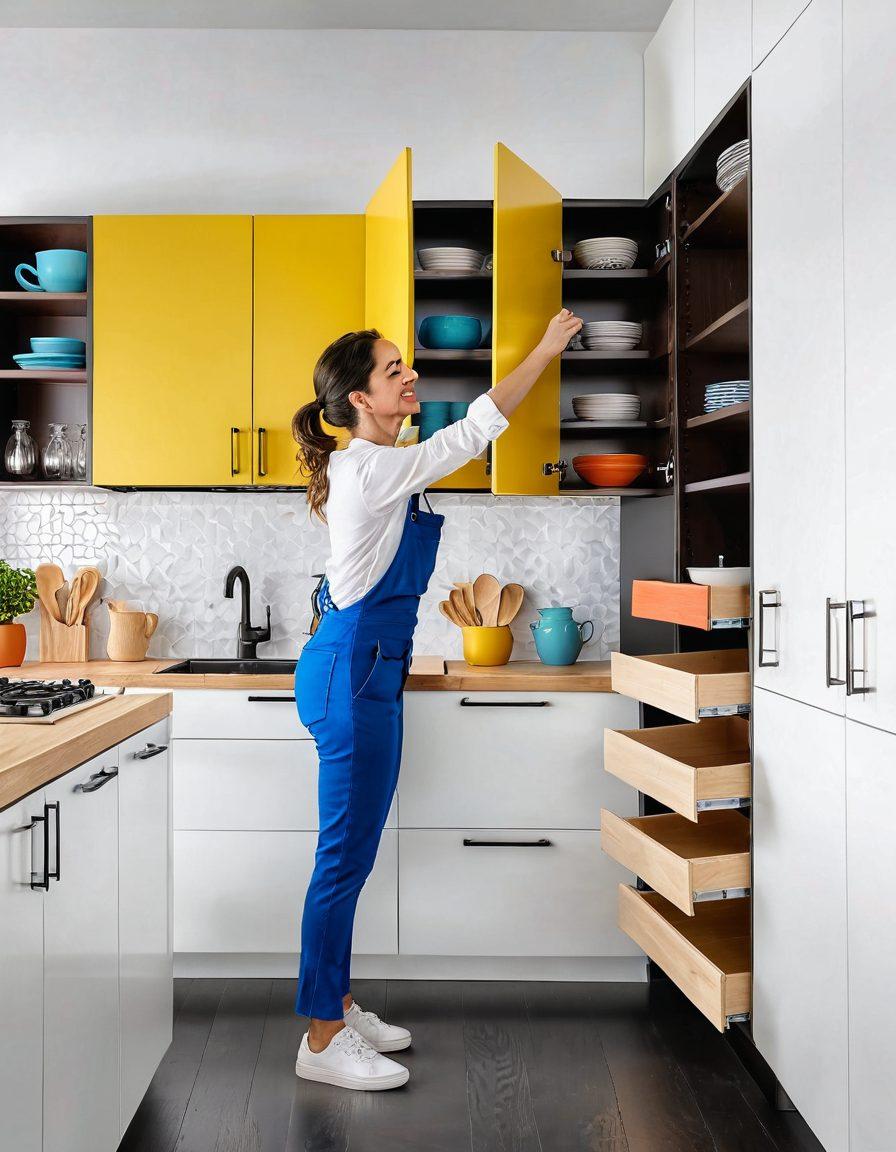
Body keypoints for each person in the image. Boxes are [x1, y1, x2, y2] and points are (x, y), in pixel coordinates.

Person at [290, 307, 582, 1091]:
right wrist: (546, 351)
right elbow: (475, 430)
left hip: (364, 669)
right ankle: (320, 1041)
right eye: (393, 370)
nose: (409, 375)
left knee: (348, 855)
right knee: (342, 860)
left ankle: (337, 1004)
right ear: (359, 399)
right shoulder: (372, 466)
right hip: (353, 673)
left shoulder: (378, 464)